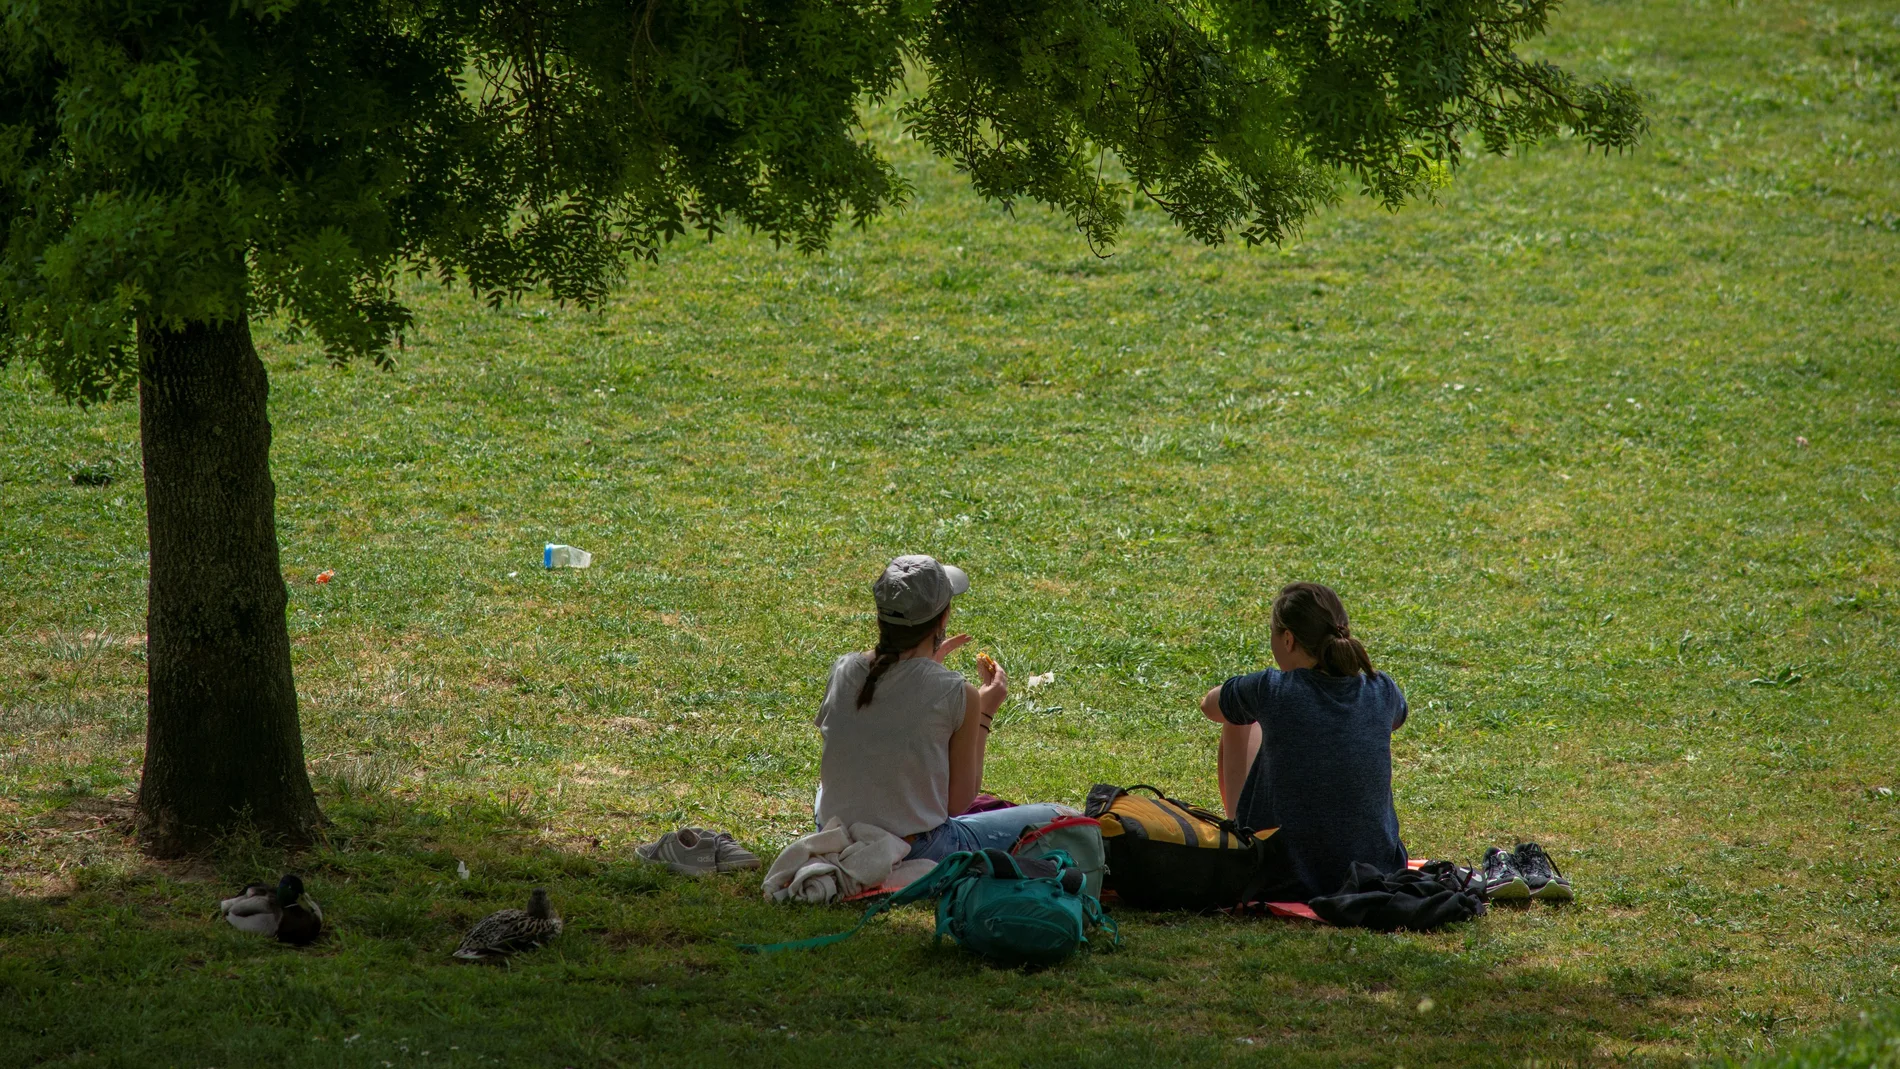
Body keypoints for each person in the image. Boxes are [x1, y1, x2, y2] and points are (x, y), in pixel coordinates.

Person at [814, 555, 1073, 861]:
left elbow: (872, 740)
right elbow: (958, 803)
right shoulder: (955, 693)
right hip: (916, 847)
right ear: (943, 618)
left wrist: (926, 667)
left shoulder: (844, 668)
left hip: (834, 832)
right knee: (1059, 816)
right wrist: (985, 711)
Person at [1201, 582, 1409, 899]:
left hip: (1281, 876)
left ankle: (1240, 841)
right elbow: (1394, 720)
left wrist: (1247, 690)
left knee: (1238, 717)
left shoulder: (1271, 689)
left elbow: (1210, 706)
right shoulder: (1382, 689)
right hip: (1377, 869)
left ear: (1288, 639)